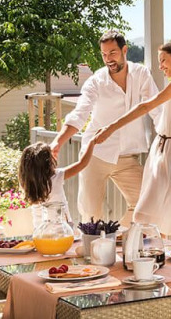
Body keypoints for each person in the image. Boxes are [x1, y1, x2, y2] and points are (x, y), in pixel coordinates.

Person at [50, 30, 161, 226]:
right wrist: (58, 141)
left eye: (112, 53)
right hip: (95, 155)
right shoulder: (96, 81)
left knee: (149, 203)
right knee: (91, 214)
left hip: (127, 156)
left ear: (124, 50)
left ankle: (117, 237)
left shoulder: (141, 74)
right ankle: (97, 247)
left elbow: (157, 109)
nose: (108, 59)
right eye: (104, 54)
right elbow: (80, 113)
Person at [94, 42, 171, 237]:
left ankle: (137, 255)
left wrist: (110, 128)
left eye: (164, 60)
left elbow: (145, 107)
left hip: (167, 153)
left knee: (145, 216)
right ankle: (154, 258)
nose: (160, 66)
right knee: (158, 218)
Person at [18, 139, 96, 229]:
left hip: (40, 229)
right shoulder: (57, 176)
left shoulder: (27, 182)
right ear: (48, 162)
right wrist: (92, 142)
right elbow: (82, 164)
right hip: (61, 228)